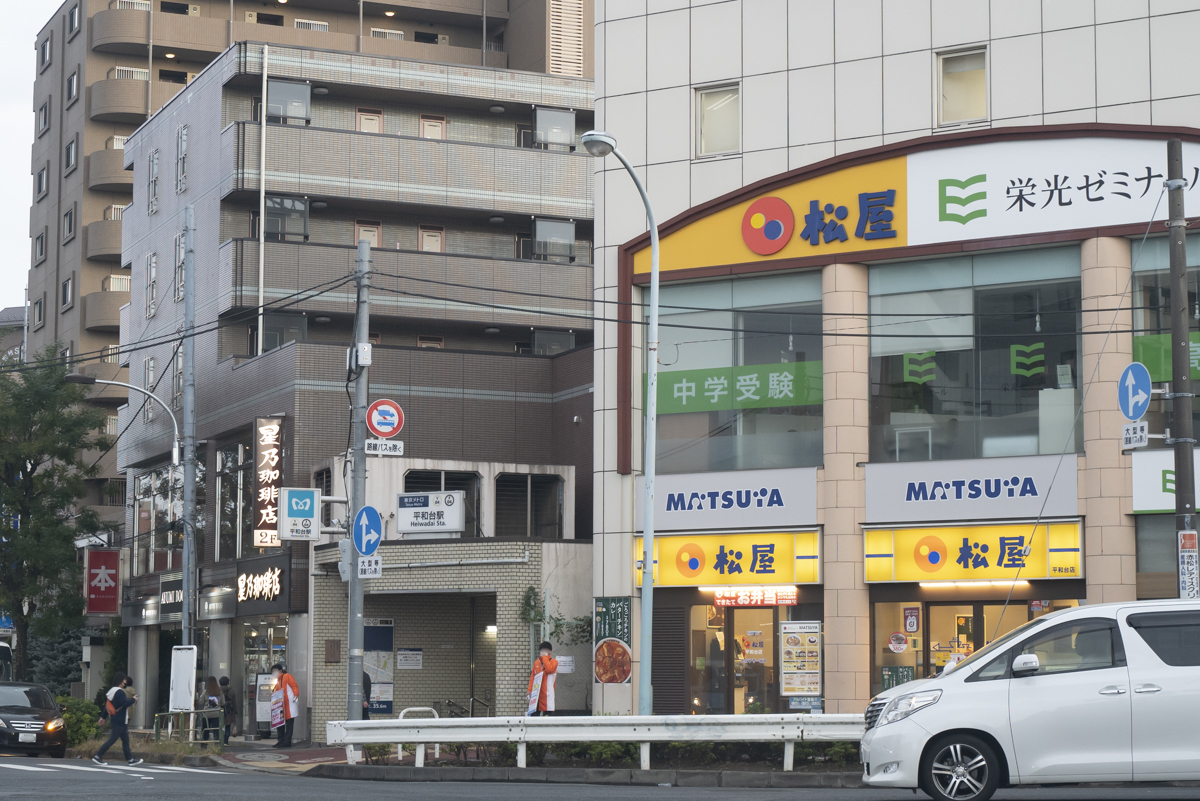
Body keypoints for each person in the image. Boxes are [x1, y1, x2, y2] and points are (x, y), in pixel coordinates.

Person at [92, 672, 144, 765]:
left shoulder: (112, 691)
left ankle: (130, 759)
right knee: (112, 739)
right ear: (120, 680)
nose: (125, 682)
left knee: (125, 741)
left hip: (116, 719)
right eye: (124, 680)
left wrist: (103, 717)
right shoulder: (120, 692)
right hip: (119, 720)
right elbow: (124, 704)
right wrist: (133, 700)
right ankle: (98, 756)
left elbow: (107, 706)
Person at [269, 663, 299, 748]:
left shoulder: (287, 676)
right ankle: (281, 740)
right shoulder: (277, 681)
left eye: (275, 671)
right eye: (273, 671)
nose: (274, 673)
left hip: (289, 704)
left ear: (280, 671)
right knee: (279, 723)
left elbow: (294, 686)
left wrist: (296, 695)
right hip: (281, 706)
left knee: (289, 723)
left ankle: (287, 741)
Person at [526, 641, 558, 717]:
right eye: (542, 650)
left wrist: (544, 658)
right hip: (536, 693)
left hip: (547, 693)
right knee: (534, 714)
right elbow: (532, 677)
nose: (543, 652)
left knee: (548, 715)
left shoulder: (554, 662)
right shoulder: (537, 662)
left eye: (545, 650)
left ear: (549, 651)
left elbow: (550, 670)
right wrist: (529, 690)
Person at [198, 676, 221, 742]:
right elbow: (223, 702)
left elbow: (201, 701)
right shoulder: (220, 692)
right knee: (216, 730)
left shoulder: (205, 692)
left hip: (206, 713)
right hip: (216, 713)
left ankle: (204, 744)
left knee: (205, 729)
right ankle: (217, 744)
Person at [218, 676, 236, 746]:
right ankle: (226, 742)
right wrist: (235, 711)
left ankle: (220, 740)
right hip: (229, 711)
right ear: (227, 682)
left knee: (220, 726)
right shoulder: (231, 690)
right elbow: (234, 702)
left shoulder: (218, 690)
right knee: (227, 727)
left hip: (220, 710)